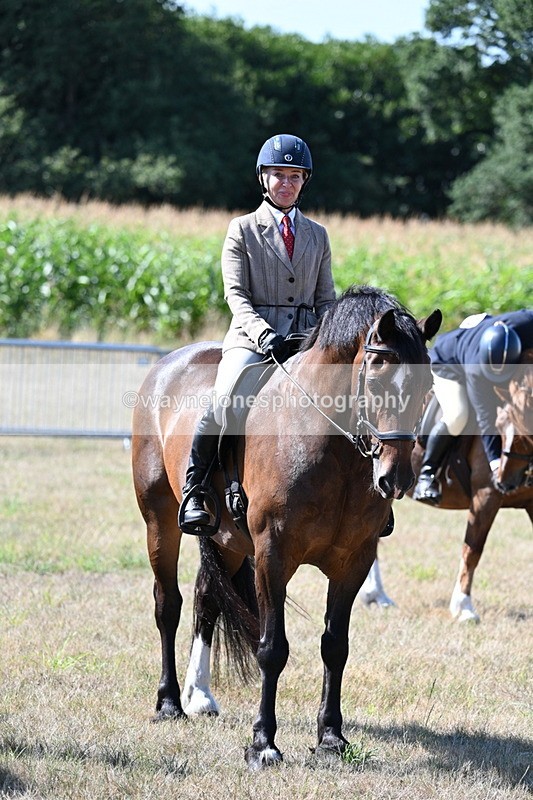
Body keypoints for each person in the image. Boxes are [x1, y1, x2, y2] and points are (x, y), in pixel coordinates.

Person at [180, 133, 337, 531]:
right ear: (263, 178)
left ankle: (366, 498)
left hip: (306, 339)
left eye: (295, 176)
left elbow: (326, 299)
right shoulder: (242, 229)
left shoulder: (317, 235)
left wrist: (323, 337)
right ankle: (196, 490)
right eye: (278, 175)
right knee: (225, 397)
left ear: (305, 182)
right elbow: (235, 293)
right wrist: (262, 332)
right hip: (252, 337)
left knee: (349, 395)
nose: (287, 183)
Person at [413, 309, 533, 504]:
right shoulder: (476, 371)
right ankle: (427, 475)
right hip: (448, 364)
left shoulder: (528, 323)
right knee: (457, 415)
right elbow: (486, 419)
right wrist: (495, 464)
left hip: (488, 340)